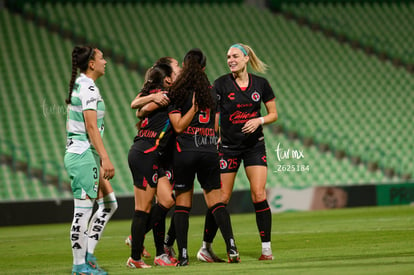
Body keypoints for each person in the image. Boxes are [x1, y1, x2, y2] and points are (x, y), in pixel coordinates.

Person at [196, 43, 278, 262]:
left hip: (254, 147)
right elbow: (213, 115)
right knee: (222, 197)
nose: (230, 60)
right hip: (228, 148)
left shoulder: (261, 84)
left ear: (245, 58)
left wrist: (258, 120)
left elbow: (273, 114)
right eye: (227, 57)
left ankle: (267, 250)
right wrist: (213, 139)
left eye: (234, 56)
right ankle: (206, 247)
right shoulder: (221, 84)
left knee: (259, 194)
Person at [168, 48, 240, 266]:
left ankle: (182, 254)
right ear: (205, 68)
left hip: (186, 150)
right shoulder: (211, 92)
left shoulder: (178, 92)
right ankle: (231, 246)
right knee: (217, 202)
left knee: (183, 205)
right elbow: (216, 126)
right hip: (209, 150)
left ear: (184, 65)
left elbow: (178, 127)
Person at [64, 46, 115, 275]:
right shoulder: (88, 87)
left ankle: (88, 256)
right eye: (101, 58)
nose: (105, 61)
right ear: (91, 64)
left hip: (84, 155)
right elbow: (91, 126)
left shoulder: (82, 85)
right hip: (84, 156)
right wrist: (105, 158)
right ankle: (79, 266)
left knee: (110, 203)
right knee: (82, 212)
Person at [126, 61, 179, 269]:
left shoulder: (161, 94)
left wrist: (147, 106)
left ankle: (139, 240)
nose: (179, 75)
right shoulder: (165, 95)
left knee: (166, 200)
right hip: (145, 153)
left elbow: (140, 111)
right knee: (142, 209)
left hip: (153, 156)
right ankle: (135, 258)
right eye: (176, 72)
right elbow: (137, 106)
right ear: (167, 79)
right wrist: (153, 99)